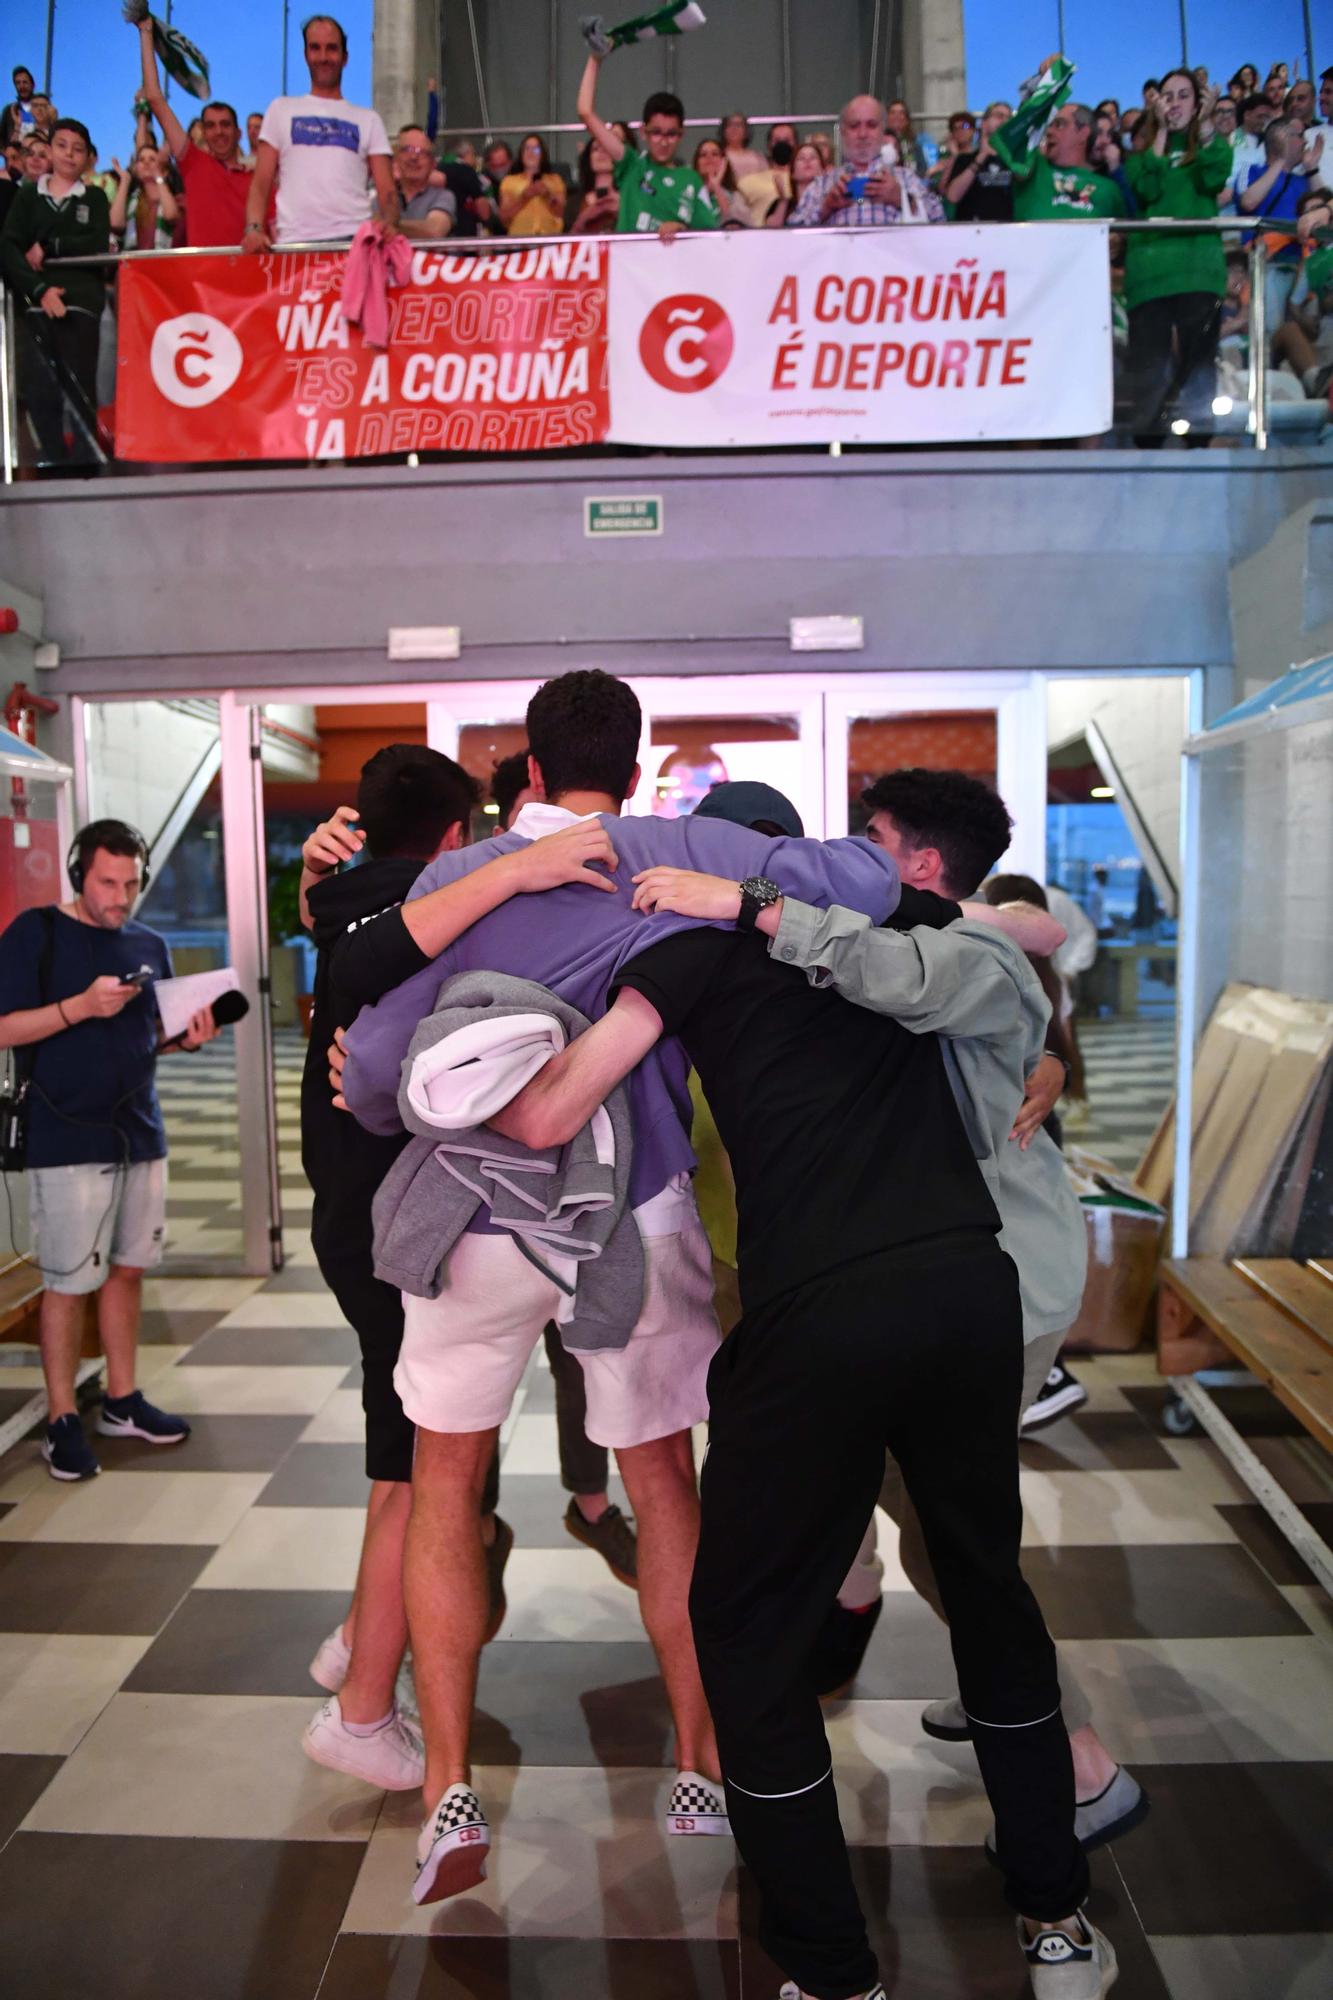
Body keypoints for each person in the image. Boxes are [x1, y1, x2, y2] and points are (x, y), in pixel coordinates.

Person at [331, 671, 934, 1907]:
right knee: (663, 1479)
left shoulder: (468, 871)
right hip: (633, 1206)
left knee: (444, 1475)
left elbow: (381, 1061)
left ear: (532, 768)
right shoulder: (673, 841)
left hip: (473, 1222)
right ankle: (700, 1761)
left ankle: (447, 1781)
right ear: (640, 755)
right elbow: (874, 881)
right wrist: (731, 881)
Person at [490, 849, 1114, 2000]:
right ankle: (1056, 1917)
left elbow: (546, 1110)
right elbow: (1024, 938)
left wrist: (391, 1074)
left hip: (815, 1317)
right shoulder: (891, 942)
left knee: (743, 1631)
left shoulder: (680, 952)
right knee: (987, 1586)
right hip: (963, 1289)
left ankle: (832, 1971)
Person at [0, 820, 219, 1482]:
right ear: (78, 875)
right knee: (69, 1280)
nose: (120, 896)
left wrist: (184, 1038)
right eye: (107, 882)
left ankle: (121, 1399)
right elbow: (5, 1027)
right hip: (64, 1135)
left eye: (131, 883)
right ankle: (62, 1416)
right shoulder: (35, 935)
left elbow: (142, 1037)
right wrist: (79, 1007)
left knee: (128, 1268)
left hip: (139, 1130)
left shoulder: (147, 942)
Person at [1123, 68, 1231, 439]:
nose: (1174, 102)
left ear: (1198, 103)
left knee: (1198, 359)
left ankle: (1199, 440)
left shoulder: (1210, 147)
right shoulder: (1139, 157)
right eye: (1167, 95)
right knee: (1149, 363)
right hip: (1149, 277)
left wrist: (1204, 126)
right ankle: (1147, 442)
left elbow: (1214, 177)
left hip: (1197, 271)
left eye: (1184, 95)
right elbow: (1146, 190)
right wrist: (1161, 133)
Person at [0, 117, 112, 468]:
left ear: (88, 158)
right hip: (36, 306)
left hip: (82, 305)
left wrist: (49, 246)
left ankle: (84, 465)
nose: (69, 154)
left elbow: (96, 240)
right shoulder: (28, 195)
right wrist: (40, 289)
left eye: (78, 149)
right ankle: (51, 462)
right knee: (39, 391)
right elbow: (9, 247)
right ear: (49, 150)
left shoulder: (93, 197)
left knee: (80, 389)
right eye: (62, 146)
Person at [244, 14, 396, 251]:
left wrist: (389, 222)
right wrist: (253, 229)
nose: (323, 57)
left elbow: (387, 192)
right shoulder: (280, 109)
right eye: (315, 48)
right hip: (294, 245)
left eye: (332, 49)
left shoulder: (369, 120)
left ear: (345, 57)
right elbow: (261, 183)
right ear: (306, 54)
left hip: (355, 245)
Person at [130, 12, 254, 247]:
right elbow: (155, 98)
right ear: (203, 133)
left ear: (238, 133)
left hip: (247, 280)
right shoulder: (194, 163)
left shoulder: (256, 179)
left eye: (225, 125)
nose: (218, 131)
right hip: (199, 279)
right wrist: (145, 32)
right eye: (211, 125)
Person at [577, 61, 719, 241]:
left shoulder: (691, 179)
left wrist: (681, 228)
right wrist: (595, 59)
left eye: (672, 134)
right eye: (656, 132)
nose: (664, 141)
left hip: (672, 267)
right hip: (628, 266)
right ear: (643, 132)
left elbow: (711, 236)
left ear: (681, 134)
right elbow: (585, 111)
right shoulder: (631, 165)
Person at [989, 63, 1127, 222]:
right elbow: (1022, 129)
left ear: (1084, 132)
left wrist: (1117, 240)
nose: (1049, 131)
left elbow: (1122, 236)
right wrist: (1047, 80)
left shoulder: (1109, 189)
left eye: (1059, 124)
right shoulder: (1034, 169)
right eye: (1049, 125)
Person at [791, 94, 944, 227]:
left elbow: (941, 225)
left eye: (871, 125)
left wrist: (903, 199)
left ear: (883, 131)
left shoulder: (906, 178)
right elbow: (789, 238)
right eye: (854, 126)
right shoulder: (821, 185)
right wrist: (825, 208)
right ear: (843, 132)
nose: (862, 134)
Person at [1238, 116, 1316, 331]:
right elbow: (1249, 200)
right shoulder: (1252, 171)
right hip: (1267, 265)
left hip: (1306, 266)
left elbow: (1324, 210)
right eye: (1299, 137)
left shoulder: (1304, 180)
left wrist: (1312, 170)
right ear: (1282, 140)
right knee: (1271, 333)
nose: (1305, 143)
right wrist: (1281, 160)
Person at [937, 99, 1015, 221]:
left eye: (1009, 118)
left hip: (1005, 232)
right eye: (999, 116)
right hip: (971, 232)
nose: (1004, 121)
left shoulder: (1013, 162)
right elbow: (952, 196)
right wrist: (982, 155)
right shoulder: (964, 159)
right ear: (983, 123)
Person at [109, 139, 182, 250]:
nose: (146, 162)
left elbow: (171, 215)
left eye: (152, 159)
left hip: (166, 263)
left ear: (165, 170)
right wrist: (125, 180)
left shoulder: (175, 199)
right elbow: (115, 224)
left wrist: (158, 175)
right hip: (134, 264)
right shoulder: (132, 201)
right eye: (141, 160)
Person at [392, 124, 454, 239]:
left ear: (433, 164)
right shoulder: (382, 196)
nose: (414, 157)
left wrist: (387, 224)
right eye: (407, 150)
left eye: (422, 152)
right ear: (396, 158)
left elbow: (435, 231)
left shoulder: (444, 196)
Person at [498, 131, 565, 237]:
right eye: (526, 149)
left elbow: (561, 214)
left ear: (542, 154)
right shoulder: (509, 181)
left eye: (536, 149)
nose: (531, 153)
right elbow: (504, 218)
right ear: (521, 154)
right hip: (520, 241)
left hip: (549, 241)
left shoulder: (555, 180)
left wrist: (547, 196)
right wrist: (524, 197)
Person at [734, 121, 797, 226]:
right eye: (777, 140)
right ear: (769, 145)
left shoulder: (804, 179)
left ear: (795, 144)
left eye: (787, 140)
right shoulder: (748, 181)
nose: (782, 144)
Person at [692, 137, 751, 226]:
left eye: (715, 154)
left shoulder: (735, 196)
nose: (709, 157)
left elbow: (734, 225)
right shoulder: (689, 193)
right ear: (697, 163)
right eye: (703, 155)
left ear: (724, 161)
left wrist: (716, 187)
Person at [765, 138, 824, 226]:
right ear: (792, 173)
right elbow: (771, 231)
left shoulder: (829, 200)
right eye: (801, 158)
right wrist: (783, 200)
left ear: (822, 169)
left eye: (813, 157)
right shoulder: (782, 203)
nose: (807, 160)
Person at [568, 134, 620, 233]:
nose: (601, 152)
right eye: (595, 149)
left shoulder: (629, 198)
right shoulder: (573, 202)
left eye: (606, 148)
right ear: (589, 159)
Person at [886, 96, 935, 175]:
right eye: (893, 112)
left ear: (906, 120)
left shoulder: (915, 144)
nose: (897, 116)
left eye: (901, 113)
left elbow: (922, 170)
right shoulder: (879, 143)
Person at [718, 111, 765, 183]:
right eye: (729, 125)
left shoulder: (758, 157)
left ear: (746, 131)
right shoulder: (718, 156)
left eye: (738, 125)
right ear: (724, 131)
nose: (734, 128)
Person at [0, 64, 38, 149]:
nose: (21, 86)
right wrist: (7, 154)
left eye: (25, 82)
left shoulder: (41, 110)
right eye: (18, 83)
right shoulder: (9, 110)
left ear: (32, 85)